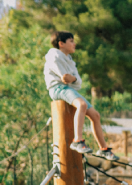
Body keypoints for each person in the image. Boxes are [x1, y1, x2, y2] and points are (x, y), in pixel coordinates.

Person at [43, 31, 118, 161]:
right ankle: (77, 140)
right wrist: (71, 79)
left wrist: (72, 79)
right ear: (61, 44)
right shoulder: (54, 55)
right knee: (81, 104)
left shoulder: (70, 61)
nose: (74, 44)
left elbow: (78, 82)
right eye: (71, 41)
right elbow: (65, 78)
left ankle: (103, 149)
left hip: (69, 89)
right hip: (58, 88)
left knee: (95, 115)